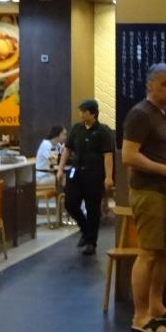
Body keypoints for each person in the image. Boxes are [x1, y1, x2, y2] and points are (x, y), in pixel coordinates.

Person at [120, 62, 166, 332]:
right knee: (149, 253)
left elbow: (162, 149)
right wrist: (165, 169)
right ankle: (140, 317)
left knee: (164, 250)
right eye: (165, 84)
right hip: (149, 192)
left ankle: (157, 306)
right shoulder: (140, 114)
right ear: (150, 85)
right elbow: (129, 156)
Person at [58, 98, 116, 256]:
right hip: (76, 172)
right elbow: (67, 150)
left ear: (93, 113)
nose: (81, 114)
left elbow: (108, 156)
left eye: (84, 111)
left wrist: (108, 177)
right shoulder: (76, 129)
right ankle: (85, 229)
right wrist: (60, 169)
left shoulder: (103, 131)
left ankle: (91, 242)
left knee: (92, 209)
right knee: (70, 203)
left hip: (94, 175)